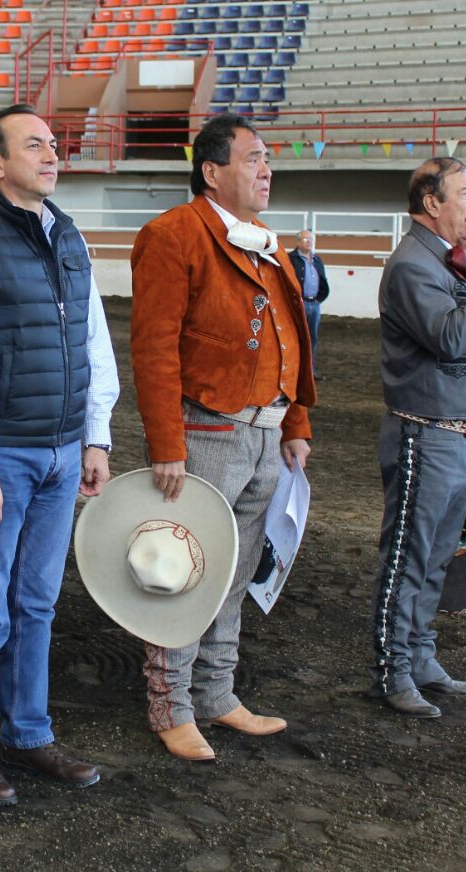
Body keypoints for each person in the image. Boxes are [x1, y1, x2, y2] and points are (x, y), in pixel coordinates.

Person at [0, 104, 120, 805]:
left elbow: (95, 338)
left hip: (64, 451)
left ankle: (29, 732)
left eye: (53, 144)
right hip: (3, 457)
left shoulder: (68, 235)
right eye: (33, 145)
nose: (51, 154)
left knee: (36, 602)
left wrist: (95, 433)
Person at [129, 113, 316, 763]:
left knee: (230, 575)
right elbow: (153, 347)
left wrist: (294, 421)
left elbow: (292, 338)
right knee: (183, 573)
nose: (267, 170)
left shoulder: (263, 238)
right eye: (254, 158)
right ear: (212, 171)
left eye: (268, 160)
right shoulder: (171, 235)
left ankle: (214, 692)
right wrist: (167, 444)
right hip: (205, 431)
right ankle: (172, 705)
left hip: (264, 434)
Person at [369, 158, 466, 718]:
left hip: (457, 437)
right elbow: (451, 337)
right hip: (424, 434)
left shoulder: (452, 263)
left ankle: (421, 656)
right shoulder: (413, 266)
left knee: (437, 558)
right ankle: (393, 671)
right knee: (410, 557)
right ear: (432, 202)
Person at [290, 229, 330, 377]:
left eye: (311, 240)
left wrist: (319, 298)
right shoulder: (290, 259)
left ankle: (309, 370)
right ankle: (295, 370)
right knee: (297, 337)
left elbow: (323, 281)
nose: (309, 242)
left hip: (314, 303)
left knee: (312, 337)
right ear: (298, 242)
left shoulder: (317, 260)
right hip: (299, 304)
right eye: (306, 239)